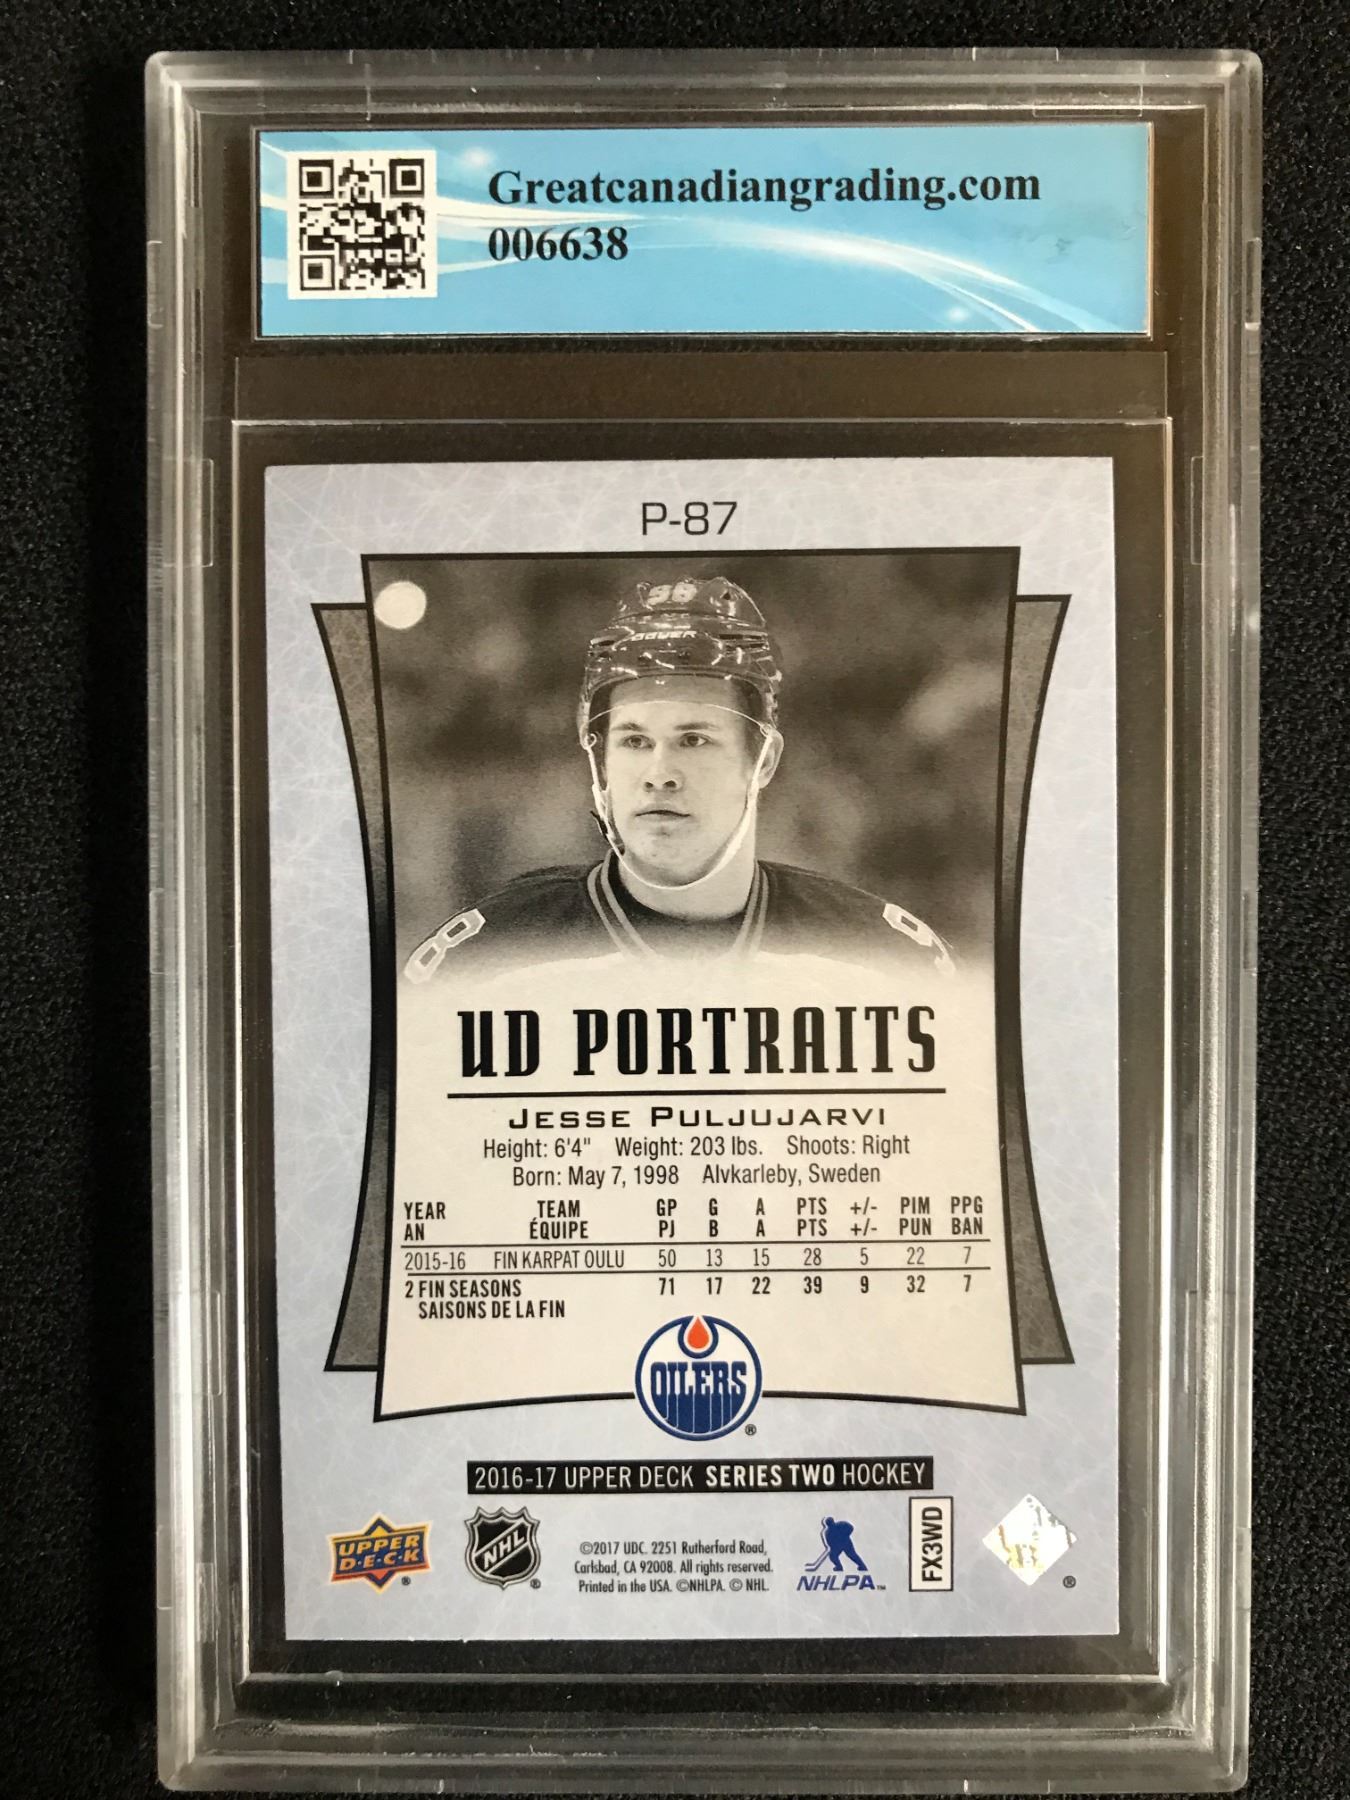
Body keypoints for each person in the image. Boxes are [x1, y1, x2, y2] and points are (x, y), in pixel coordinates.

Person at [404, 576, 953, 982]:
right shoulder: (483, 960)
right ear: (599, 762)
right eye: (634, 741)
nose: (659, 775)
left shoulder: (883, 958)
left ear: (763, 760)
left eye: (694, 740)